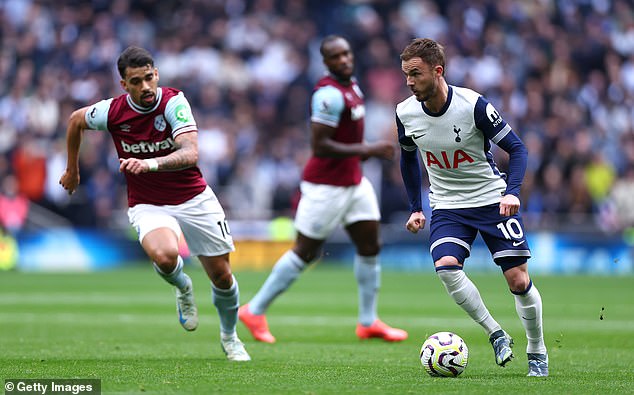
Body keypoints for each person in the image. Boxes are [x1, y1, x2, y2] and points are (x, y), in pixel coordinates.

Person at [59, 46, 250, 361]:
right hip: (148, 202)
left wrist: (149, 164)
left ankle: (230, 338)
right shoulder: (112, 112)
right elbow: (75, 121)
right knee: (164, 256)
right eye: (136, 81)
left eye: (149, 78)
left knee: (222, 277)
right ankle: (183, 286)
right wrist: (72, 169)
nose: (145, 87)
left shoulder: (174, 103)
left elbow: (190, 153)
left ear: (157, 74)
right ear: (124, 85)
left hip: (194, 197)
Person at [238, 35, 408, 343]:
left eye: (346, 53)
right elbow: (320, 145)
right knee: (305, 252)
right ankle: (255, 310)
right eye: (336, 56)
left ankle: (368, 321)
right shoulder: (327, 96)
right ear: (326, 62)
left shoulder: (353, 86)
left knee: (371, 245)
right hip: (325, 186)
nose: (344, 59)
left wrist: (360, 154)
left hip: (354, 183)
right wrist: (366, 149)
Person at [396, 38, 548, 377]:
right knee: (447, 266)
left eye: (415, 74)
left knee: (517, 280)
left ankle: (536, 349)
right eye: (406, 75)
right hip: (448, 205)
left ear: (438, 71)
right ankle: (496, 333)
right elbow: (407, 159)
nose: (409, 82)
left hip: (492, 200)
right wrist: (414, 207)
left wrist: (512, 192)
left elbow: (518, 149)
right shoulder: (405, 112)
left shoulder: (473, 105)